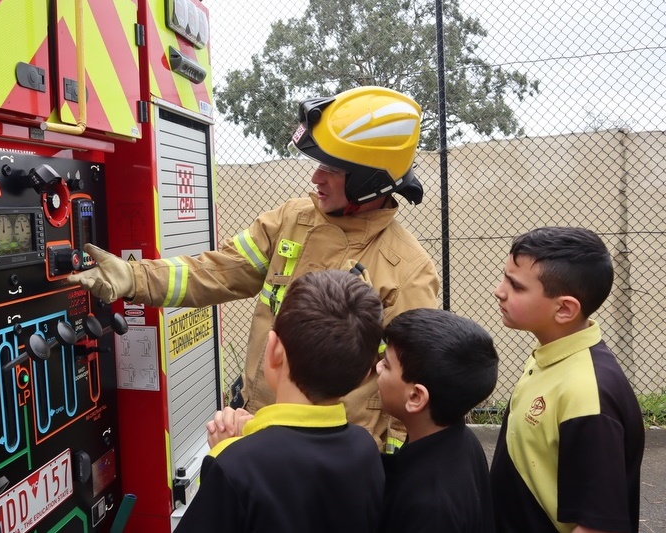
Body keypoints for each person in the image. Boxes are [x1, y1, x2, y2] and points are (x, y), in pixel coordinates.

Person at [67, 85, 439, 449]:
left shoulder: (407, 272)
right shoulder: (291, 221)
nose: (315, 177)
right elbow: (217, 271)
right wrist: (133, 276)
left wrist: (386, 475)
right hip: (258, 426)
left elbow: (407, 399)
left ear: (369, 180)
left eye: (332, 168)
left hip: (331, 453)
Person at [174, 269, 385, 533]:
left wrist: (227, 452)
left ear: (273, 350)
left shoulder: (234, 465)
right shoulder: (365, 448)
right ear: (365, 373)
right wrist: (247, 442)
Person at [490, 226, 645, 533]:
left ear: (564, 309)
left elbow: (598, 525)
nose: (499, 290)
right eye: (504, 277)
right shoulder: (552, 354)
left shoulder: (586, 394)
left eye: (516, 287)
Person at [376, 307, 498, 533]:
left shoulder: (430, 504)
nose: (377, 367)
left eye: (386, 364)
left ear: (415, 396)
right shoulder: (459, 439)